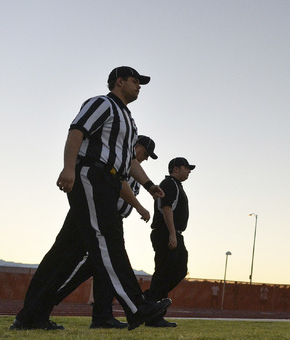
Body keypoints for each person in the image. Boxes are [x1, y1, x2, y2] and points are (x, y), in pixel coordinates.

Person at [10, 67, 171, 331]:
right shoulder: (102, 103)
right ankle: (137, 306)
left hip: (108, 180)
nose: (139, 86)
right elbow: (77, 131)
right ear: (119, 82)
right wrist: (69, 167)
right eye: (135, 81)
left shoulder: (128, 120)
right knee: (107, 238)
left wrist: (149, 185)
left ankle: (31, 316)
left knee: (67, 252)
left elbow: (128, 160)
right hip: (92, 175)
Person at [52, 135, 158, 329]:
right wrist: (140, 207)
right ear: (137, 147)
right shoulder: (120, 162)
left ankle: (102, 315)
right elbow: (118, 187)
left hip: (113, 221)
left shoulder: (132, 170)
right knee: (86, 265)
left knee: (103, 269)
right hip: (100, 216)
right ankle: (46, 299)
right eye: (146, 153)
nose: (146, 158)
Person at [145, 157, 195, 328]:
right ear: (176, 169)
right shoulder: (169, 183)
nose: (189, 171)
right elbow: (166, 207)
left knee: (179, 269)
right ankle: (152, 309)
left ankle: (151, 299)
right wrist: (172, 234)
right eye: (186, 168)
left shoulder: (176, 185)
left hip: (174, 233)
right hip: (166, 233)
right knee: (164, 271)